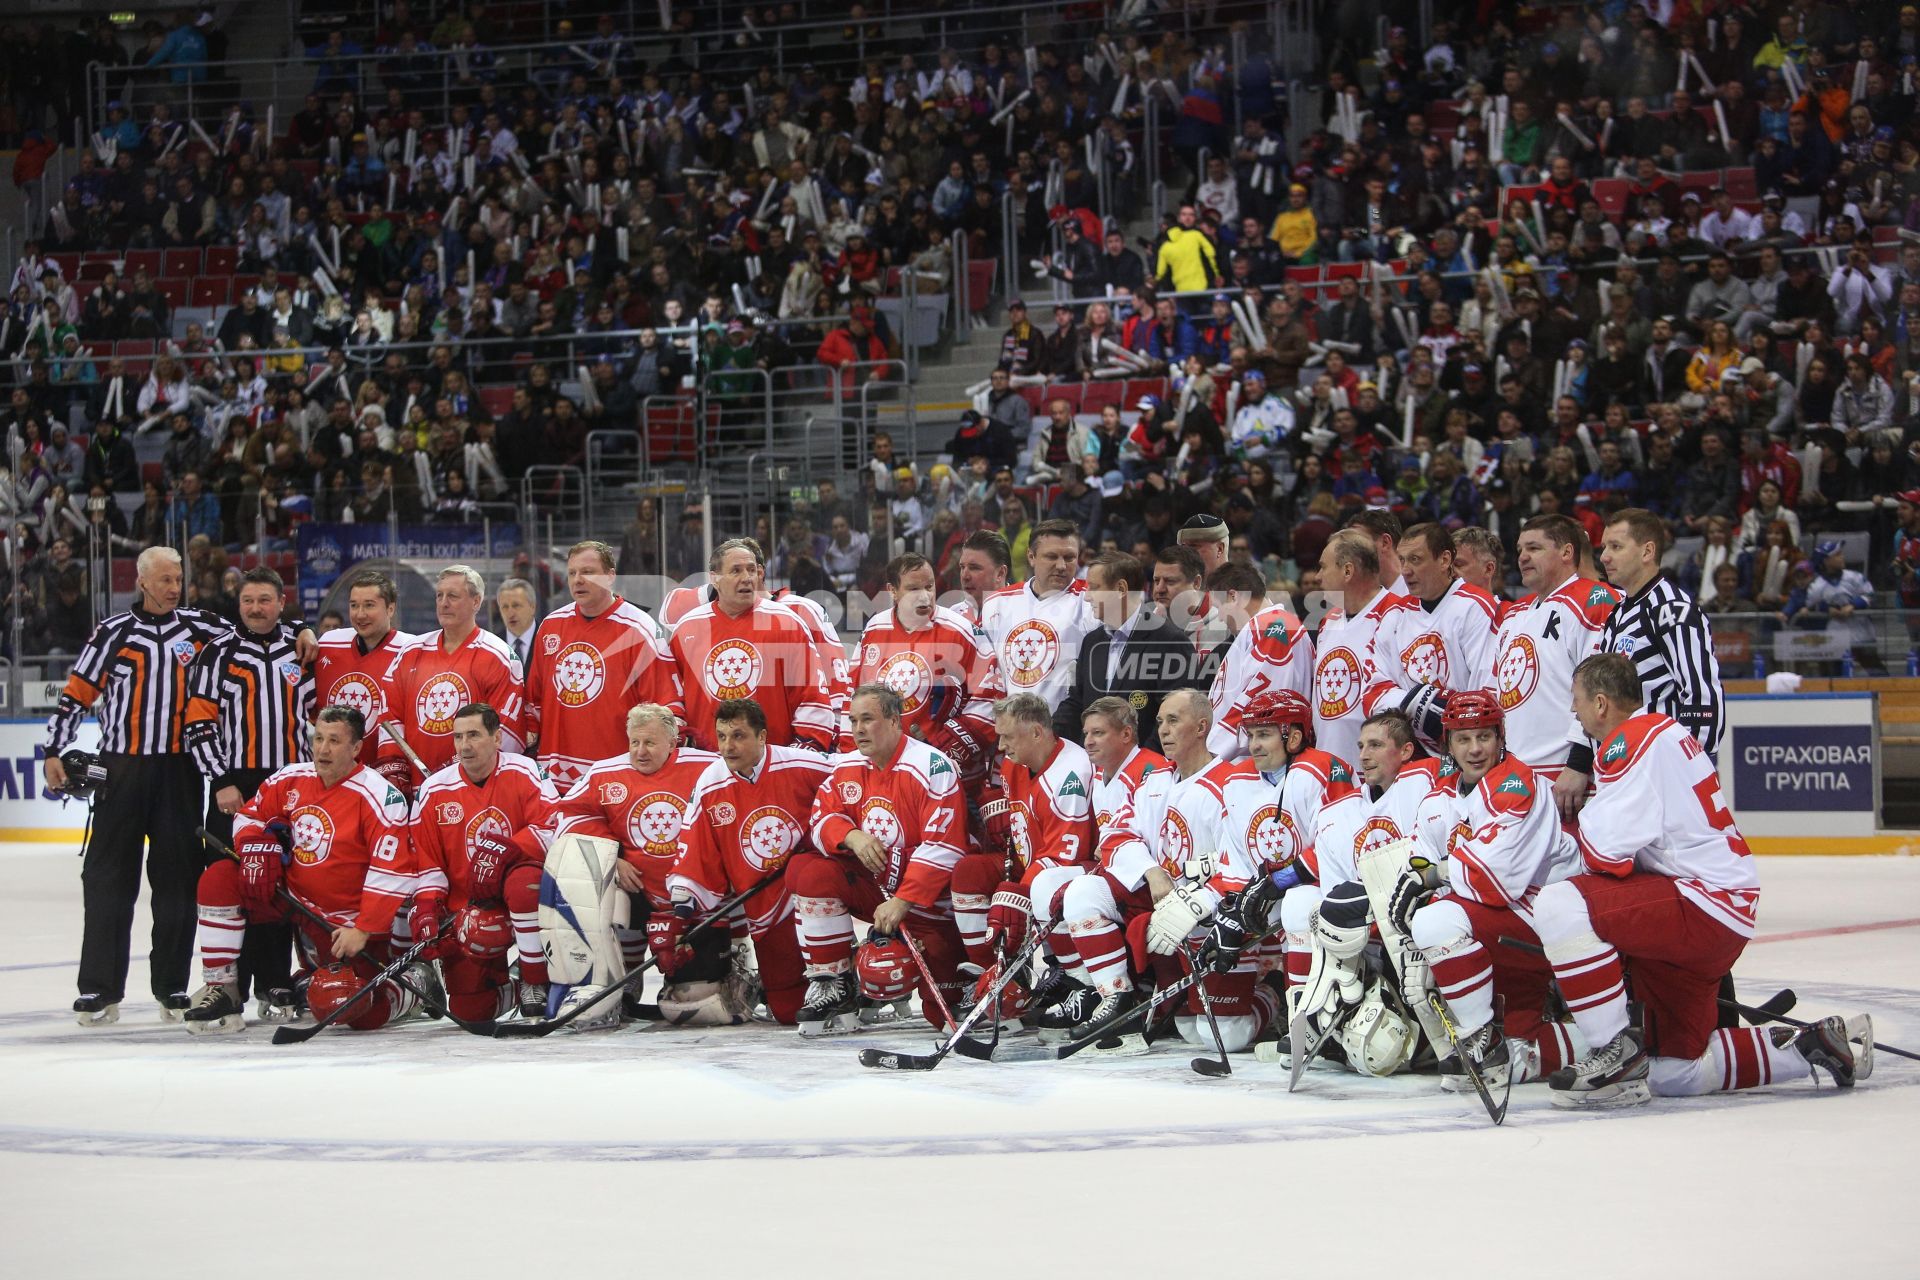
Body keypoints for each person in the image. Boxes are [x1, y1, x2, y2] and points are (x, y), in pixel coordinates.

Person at [1531, 655, 1872, 1107]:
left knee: (1560, 905)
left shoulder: (1627, 742)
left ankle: (1614, 1053)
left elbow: (1604, 853)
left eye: (1575, 702)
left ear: (1600, 703)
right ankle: (1815, 1047)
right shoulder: (1666, 732)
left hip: (1700, 904)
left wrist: (1565, 834)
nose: (1572, 712)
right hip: (1721, 911)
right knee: (1676, 1072)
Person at [43, 547, 253, 1026]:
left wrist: (301, 632)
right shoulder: (113, 633)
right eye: (164, 579)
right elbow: (77, 694)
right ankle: (99, 988)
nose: (173, 587)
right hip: (122, 771)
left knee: (177, 880)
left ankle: (171, 986)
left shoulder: (201, 628)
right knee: (107, 879)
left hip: (180, 771)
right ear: (142, 582)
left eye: (178, 579)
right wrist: (53, 750)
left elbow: (254, 635)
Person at [182, 707, 422, 1034]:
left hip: (345, 923)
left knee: (359, 1012)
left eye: (334, 741)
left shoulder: (380, 796)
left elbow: (394, 871)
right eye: (319, 738)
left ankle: (414, 986)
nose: (322, 749)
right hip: (295, 901)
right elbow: (249, 816)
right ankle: (222, 987)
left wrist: (363, 929)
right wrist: (254, 844)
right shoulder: (290, 777)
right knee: (220, 878)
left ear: (356, 748)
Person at [1054, 689, 1271, 1048]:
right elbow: (1115, 836)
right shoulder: (1154, 783)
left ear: (1201, 727)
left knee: (1224, 1039)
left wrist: (1201, 898)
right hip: (1162, 908)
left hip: (1212, 914)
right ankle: (1116, 996)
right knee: (1082, 892)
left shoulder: (1233, 783)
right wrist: (1153, 872)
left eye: (1174, 720)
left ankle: (1272, 994)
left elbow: (1243, 863)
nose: (1164, 730)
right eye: (1160, 722)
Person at [1396, 691, 1584, 1088]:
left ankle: (1481, 1037)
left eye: (1484, 736)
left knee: (1435, 922)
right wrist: (1421, 882)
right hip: (1503, 926)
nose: (1475, 748)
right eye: (1463, 739)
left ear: (1501, 738)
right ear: (1447, 743)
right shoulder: (1438, 798)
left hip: (1546, 921)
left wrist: (1431, 881)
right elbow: (1418, 859)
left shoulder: (1518, 785)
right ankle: (1625, 1038)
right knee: (1519, 1058)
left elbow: (1497, 879)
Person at [790, 684, 969, 1035]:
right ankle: (833, 982)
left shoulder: (932, 767)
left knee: (940, 1012)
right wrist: (850, 835)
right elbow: (820, 819)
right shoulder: (848, 766)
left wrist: (905, 899)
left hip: (928, 902)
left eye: (867, 719)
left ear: (894, 721)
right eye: (853, 720)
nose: (857, 729)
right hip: (878, 891)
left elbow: (946, 846)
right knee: (808, 871)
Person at [183, 567, 316, 1015]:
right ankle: (227, 985)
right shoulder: (216, 653)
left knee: (278, 886)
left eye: (264, 600)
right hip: (235, 786)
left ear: (282, 602)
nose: (255, 608)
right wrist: (219, 780)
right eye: (247, 601)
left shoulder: (302, 651)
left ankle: (275, 982)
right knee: (230, 883)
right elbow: (198, 724)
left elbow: (322, 716)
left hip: (290, 785)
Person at [540, 703, 724, 1025]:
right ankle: (612, 975)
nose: (640, 752)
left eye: (650, 743)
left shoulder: (708, 768)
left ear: (673, 742)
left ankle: (736, 963)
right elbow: (567, 819)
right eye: (634, 743)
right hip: (636, 890)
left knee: (694, 1006)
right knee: (586, 869)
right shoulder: (604, 773)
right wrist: (615, 855)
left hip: (696, 897)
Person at [668, 699, 832, 1025]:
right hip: (763, 908)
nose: (728, 746)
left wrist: (827, 833)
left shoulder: (803, 764)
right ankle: (763, 984)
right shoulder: (710, 783)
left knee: (813, 877)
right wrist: (680, 915)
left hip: (810, 893)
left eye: (739, 736)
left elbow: (853, 784)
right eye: (722, 736)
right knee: (788, 1013)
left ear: (762, 737)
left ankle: (850, 970)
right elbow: (695, 849)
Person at [406, 703, 560, 1020]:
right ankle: (515, 986)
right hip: (469, 910)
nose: (465, 745)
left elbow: (554, 826)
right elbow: (429, 864)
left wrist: (508, 849)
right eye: (458, 737)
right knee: (471, 1010)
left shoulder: (526, 771)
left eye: (474, 735)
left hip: (524, 900)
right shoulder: (434, 790)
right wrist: (427, 908)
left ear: (497, 738)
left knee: (523, 884)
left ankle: (535, 980)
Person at [948, 693, 1098, 1017]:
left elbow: (1066, 855)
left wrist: (1016, 893)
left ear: (1036, 733)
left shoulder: (1070, 774)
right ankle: (994, 977)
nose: (1001, 746)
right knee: (969, 872)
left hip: (1075, 871)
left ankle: (1072, 976)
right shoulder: (1016, 765)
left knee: (1043, 885)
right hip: (1032, 865)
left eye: (1008, 736)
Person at [523, 540, 683, 789]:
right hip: (555, 779)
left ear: (610, 577)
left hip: (619, 777)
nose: (577, 580)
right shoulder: (551, 626)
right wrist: (530, 729)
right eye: (572, 573)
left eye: (587, 572)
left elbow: (665, 708)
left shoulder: (639, 629)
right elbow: (534, 698)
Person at [1492, 515, 1622, 819]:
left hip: (1568, 778)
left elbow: (1601, 690)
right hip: (1515, 776)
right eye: (1520, 549)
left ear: (1566, 552)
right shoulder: (1514, 614)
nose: (1522, 557)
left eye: (1534, 548)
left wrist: (1579, 763)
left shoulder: (1594, 600)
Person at [668, 539, 836, 751]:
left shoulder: (786, 622)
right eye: (736, 571)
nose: (747, 578)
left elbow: (812, 695)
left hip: (773, 761)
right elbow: (671, 697)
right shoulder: (687, 628)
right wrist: (683, 746)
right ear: (715, 578)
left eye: (751, 570)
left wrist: (800, 752)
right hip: (707, 764)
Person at [853, 552, 1001, 783]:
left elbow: (991, 696)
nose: (925, 597)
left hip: (949, 774)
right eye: (913, 589)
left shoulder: (960, 630)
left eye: (929, 587)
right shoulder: (874, 629)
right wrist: (849, 753)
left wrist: (943, 748)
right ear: (893, 591)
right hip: (883, 769)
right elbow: (851, 694)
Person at [1596, 508, 1725, 756]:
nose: (1604, 557)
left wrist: (1687, 765)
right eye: (1604, 547)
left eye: (1616, 547)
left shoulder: (1672, 609)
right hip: (1623, 766)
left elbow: (1701, 695)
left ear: (1647, 551)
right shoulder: (1618, 613)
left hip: (1660, 767)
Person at [1361, 523, 1499, 751]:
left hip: (1467, 751)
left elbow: (1487, 691)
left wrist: (1445, 712)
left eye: (1415, 559)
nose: (1405, 570)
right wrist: (1417, 702)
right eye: (1402, 560)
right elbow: (1373, 690)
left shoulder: (1476, 607)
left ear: (1444, 560)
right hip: (1410, 754)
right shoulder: (1395, 615)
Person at [383, 566, 526, 777]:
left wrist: (455, 772)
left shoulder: (498, 656)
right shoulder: (411, 651)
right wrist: (396, 769)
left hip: (473, 787)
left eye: (453, 596)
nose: (443, 603)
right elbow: (389, 717)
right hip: (415, 788)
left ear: (476, 602)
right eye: (439, 596)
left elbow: (503, 731)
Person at [1055, 550, 1202, 753]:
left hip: (1145, 774)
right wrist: (1047, 740)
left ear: (1121, 588)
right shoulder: (1092, 641)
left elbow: (1175, 718)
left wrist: (1140, 767)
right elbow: (1076, 703)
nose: (1087, 597)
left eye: (1095, 588)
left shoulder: (1170, 641)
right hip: (1092, 771)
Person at [1312, 530, 1419, 768]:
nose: (1318, 577)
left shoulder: (1401, 615)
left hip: (1380, 776)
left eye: (1323, 567)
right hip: (1327, 772)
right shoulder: (1327, 621)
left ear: (1348, 571)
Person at [979, 519, 1099, 715]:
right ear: (1031, 556)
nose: (1061, 566)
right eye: (1051, 556)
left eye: (1069, 557)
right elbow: (986, 674)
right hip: (1010, 729)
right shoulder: (997, 603)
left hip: (1067, 731)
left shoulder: (1092, 600)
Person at [314, 569, 414, 786]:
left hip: (388, 779)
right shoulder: (329, 644)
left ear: (390, 608)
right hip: (334, 776)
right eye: (354, 605)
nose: (359, 614)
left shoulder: (410, 650)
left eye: (369, 605)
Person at [1204, 563, 1314, 760]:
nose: (1220, 617)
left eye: (1218, 607)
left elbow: (1261, 705)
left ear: (1233, 596)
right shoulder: (1265, 626)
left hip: (1256, 762)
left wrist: (1210, 754)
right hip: (1247, 758)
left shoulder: (1273, 626)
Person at [1080, 696, 1170, 842]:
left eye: (1098, 733)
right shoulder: (1099, 775)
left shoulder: (1154, 772)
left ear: (1126, 734)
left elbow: (1159, 842)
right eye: (1086, 734)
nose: (1088, 742)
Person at [495, 577, 541, 669]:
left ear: (532, 607)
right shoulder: (493, 646)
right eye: (505, 607)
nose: (510, 614)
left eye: (516, 606)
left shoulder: (547, 640)